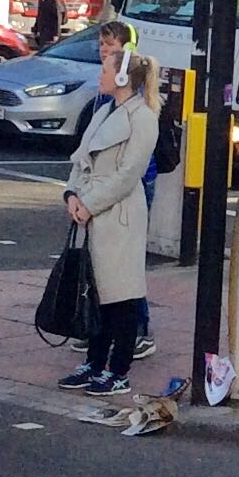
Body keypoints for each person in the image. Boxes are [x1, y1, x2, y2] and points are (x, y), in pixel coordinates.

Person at [55, 37, 160, 395]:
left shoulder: (144, 119)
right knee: (95, 293)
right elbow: (81, 158)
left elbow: (128, 175)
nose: (99, 74)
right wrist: (72, 194)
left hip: (119, 215)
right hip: (92, 211)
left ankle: (118, 371)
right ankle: (94, 364)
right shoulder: (103, 112)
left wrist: (88, 202)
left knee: (123, 296)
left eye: (105, 68)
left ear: (121, 77)